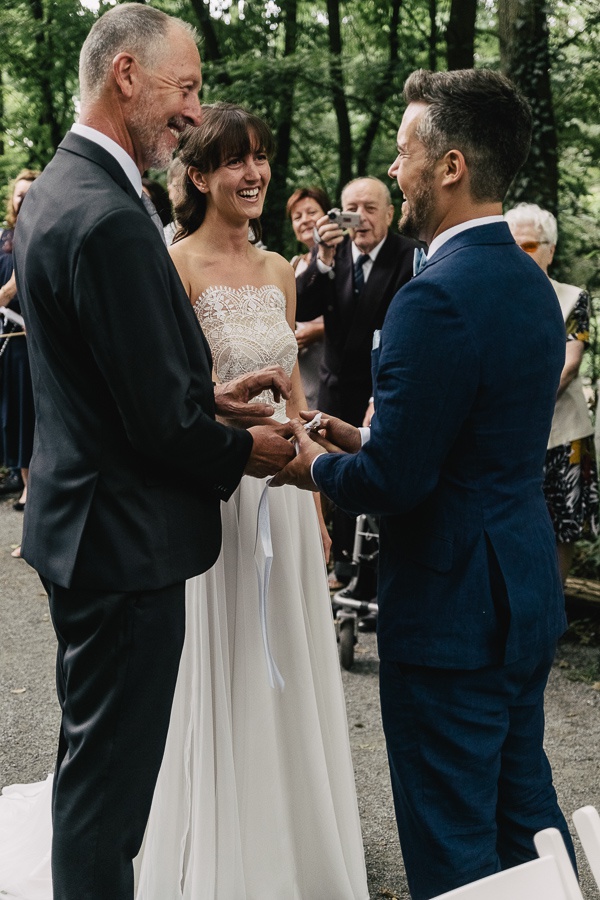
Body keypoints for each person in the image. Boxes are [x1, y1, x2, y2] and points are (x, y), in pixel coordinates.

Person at [10, 6, 293, 900]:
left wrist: (207, 400)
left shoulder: (61, 187)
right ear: (126, 74)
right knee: (110, 800)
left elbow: (112, 376)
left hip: (84, 526)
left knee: (91, 766)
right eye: (187, 87)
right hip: (124, 543)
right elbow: (156, 427)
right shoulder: (109, 215)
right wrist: (248, 448)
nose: (194, 110)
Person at [273, 67, 576, 899]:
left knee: (453, 844)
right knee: (524, 811)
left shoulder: (432, 296)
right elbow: (467, 438)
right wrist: (367, 436)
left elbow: (396, 481)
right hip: (520, 588)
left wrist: (312, 465)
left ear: (450, 165)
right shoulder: (530, 284)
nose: (393, 169)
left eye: (405, 152)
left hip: (452, 612)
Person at [133, 101, 368, 900]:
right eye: (236, 159)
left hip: (288, 493)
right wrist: (230, 431)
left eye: (260, 157)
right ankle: (226, 849)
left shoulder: (278, 271)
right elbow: (170, 399)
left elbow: (295, 392)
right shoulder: (175, 266)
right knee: (225, 657)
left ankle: (294, 844)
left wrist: (318, 500)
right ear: (199, 176)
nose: (254, 172)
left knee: (289, 661)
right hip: (218, 495)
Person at [296, 175, 417, 590]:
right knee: (339, 476)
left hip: (383, 388)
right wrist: (323, 259)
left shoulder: (410, 256)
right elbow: (301, 306)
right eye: (351, 209)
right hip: (335, 386)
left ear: (390, 213)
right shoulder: (333, 253)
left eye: (370, 208)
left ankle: (374, 575)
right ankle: (343, 566)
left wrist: (379, 396)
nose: (360, 218)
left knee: (378, 476)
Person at [505, 202, 598, 584]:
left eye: (528, 245)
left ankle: (554, 607)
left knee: (562, 525)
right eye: (512, 245)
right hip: (508, 435)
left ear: (550, 249)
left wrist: (515, 404)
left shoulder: (573, 298)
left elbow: (569, 365)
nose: (520, 253)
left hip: (562, 433)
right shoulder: (493, 297)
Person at [0, 169, 40, 511]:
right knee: (17, 412)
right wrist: (12, 286)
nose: (24, 200)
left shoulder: (45, 231)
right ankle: (25, 482)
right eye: (19, 194)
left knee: (38, 413)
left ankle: (38, 486)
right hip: (11, 342)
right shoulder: (3, 240)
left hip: (40, 341)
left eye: (31, 193)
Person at [286, 186, 330, 408]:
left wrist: (319, 331)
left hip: (332, 361)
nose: (304, 220)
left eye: (311, 213)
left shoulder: (346, 258)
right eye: (297, 217)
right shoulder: (293, 264)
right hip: (302, 368)